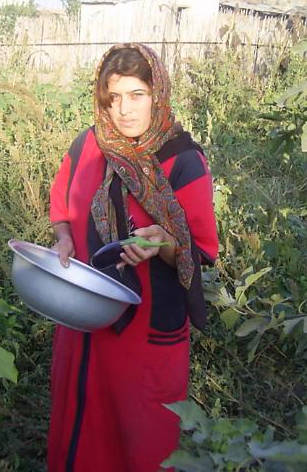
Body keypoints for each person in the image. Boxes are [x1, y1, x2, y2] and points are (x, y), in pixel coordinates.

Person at [47, 43, 219, 472]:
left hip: (144, 334)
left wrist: (163, 242)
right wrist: (64, 237)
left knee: (142, 440)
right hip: (84, 319)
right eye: (114, 97)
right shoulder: (89, 144)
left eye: (137, 95)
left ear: (157, 94)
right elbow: (62, 204)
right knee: (82, 428)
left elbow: (200, 251)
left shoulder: (183, 160)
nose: (124, 110)